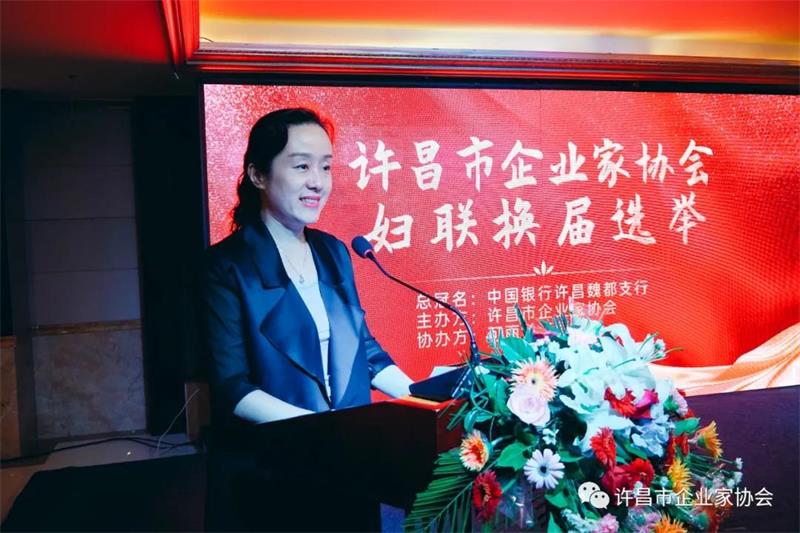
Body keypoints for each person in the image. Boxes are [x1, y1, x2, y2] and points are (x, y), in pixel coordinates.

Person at [203, 107, 413, 531]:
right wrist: (322, 430)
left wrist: (423, 396)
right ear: (258, 175)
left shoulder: (333, 252)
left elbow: (364, 350)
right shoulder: (226, 267)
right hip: (274, 472)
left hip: (349, 465)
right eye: (301, 166)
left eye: (326, 167)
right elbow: (232, 386)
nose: (318, 181)